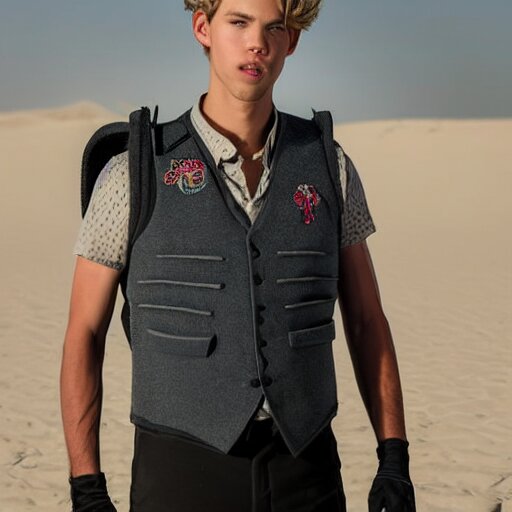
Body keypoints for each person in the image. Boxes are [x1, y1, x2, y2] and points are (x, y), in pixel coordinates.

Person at [60, 0, 416, 511]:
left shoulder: (328, 166)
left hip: (307, 470)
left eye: (275, 28)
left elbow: (366, 321)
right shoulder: (132, 173)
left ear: (291, 41)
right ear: (202, 27)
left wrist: (394, 459)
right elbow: (83, 334)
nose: (258, 44)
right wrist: (87, 488)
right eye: (239, 22)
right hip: (179, 473)